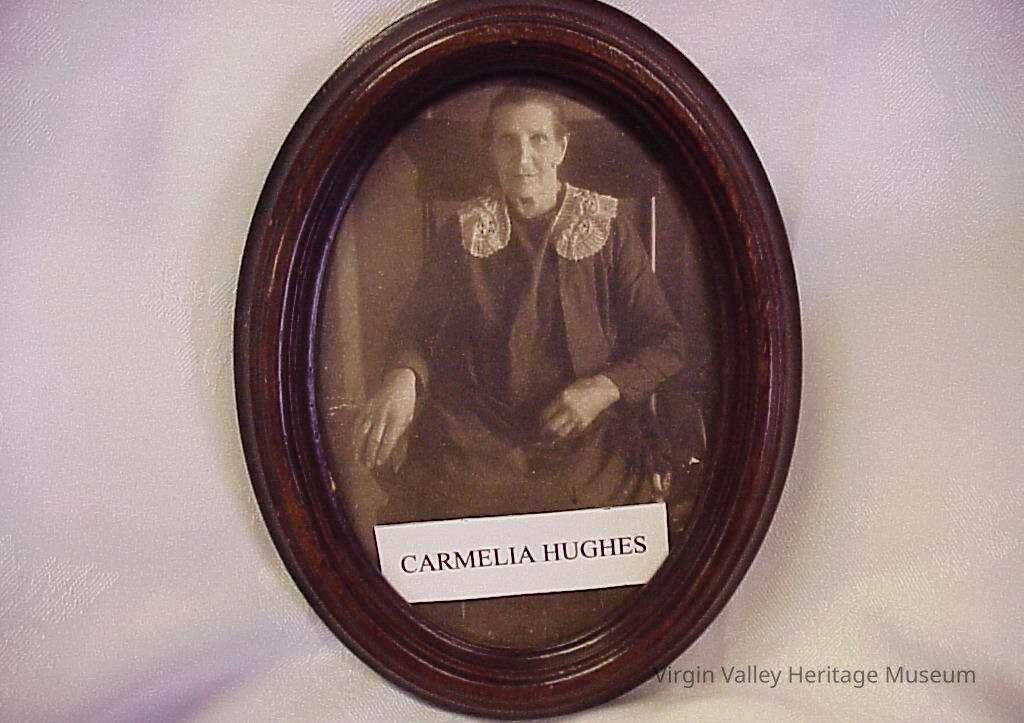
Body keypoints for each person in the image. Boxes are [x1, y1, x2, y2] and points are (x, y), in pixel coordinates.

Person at [352, 84, 687, 524]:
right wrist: (403, 375)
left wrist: (602, 389)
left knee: (583, 503)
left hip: (583, 428)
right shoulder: (463, 231)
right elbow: (417, 328)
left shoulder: (609, 229)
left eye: (538, 139)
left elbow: (666, 341)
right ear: (491, 150)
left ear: (561, 148)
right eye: (507, 141)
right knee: (447, 499)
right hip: (480, 430)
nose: (522, 158)